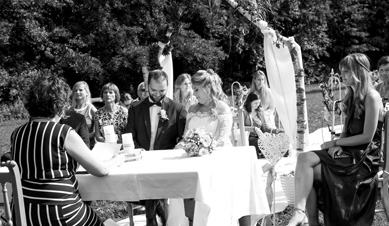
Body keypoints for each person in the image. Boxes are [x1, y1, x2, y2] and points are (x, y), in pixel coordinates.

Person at [9, 74, 124, 226]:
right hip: (60, 214)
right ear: (60, 104)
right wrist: (117, 159)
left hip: (23, 214)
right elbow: (100, 170)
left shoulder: (17, 133)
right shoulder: (63, 132)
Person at [287, 53, 383, 226]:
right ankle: (301, 214)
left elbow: (368, 137)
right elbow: (346, 131)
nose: (342, 76)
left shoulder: (372, 97)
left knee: (308, 172)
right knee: (303, 159)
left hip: (364, 158)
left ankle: (310, 220)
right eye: (341, 72)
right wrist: (340, 143)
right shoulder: (352, 96)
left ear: (358, 72)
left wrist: (336, 143)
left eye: (346, 71)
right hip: (350, 152)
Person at [125, 69, 186, 226]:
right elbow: (130, 136)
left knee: (153, 184)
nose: (158, 94)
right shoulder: (135, 109)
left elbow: (182, 140)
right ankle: (158, 214)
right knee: (149, 185)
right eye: (153, 90)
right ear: (146, 86)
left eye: (162, 90)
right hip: (140, 164)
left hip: (166, 167)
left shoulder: (177, 109)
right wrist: (141, 155)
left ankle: (150, 218)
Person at [175, 69, 237, 226]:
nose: (194, 94)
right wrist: (184, 145)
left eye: (196, 89)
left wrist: (204, 146)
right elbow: (185, 136)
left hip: (215, 160)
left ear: (208, 88)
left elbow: (222, 140)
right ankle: (189, 219)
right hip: (192, 158)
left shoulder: (222, 108)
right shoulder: (192, 109)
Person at [243, 91, 283, 158]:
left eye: (258, 103)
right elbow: (241, 127)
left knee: (272, 142)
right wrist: (253, 129)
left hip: (261, 136)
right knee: (263, 143)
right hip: (249, 137)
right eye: (255, 103)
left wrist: (275, 131)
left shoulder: (260, 111)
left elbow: (265, 127)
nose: (257, 105)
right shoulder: (244, 112)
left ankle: (272, 158)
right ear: (250, 102)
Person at [70, 81, 97, 149]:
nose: (78, 92)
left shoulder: (91, 109)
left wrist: (84, 137)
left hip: (88, 147)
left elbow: (98, 131)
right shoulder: (69, 110)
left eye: (80, 90)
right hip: (72, 147)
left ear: (87, 92)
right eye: (75, 90)